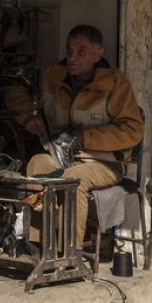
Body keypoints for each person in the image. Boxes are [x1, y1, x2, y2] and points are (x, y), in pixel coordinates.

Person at [19, 25, 143, 245]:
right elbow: (16, 90)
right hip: (62, 157)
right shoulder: (53, 76)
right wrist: (27, 117)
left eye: (81, 51)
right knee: (37, 164)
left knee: (75, 181)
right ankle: (38, 246)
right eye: (69, 50)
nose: (72, 57)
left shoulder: (114, 83)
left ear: (98, 53)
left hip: (105, 163)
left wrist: (86, 138)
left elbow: (133, 130)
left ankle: (67, 254)